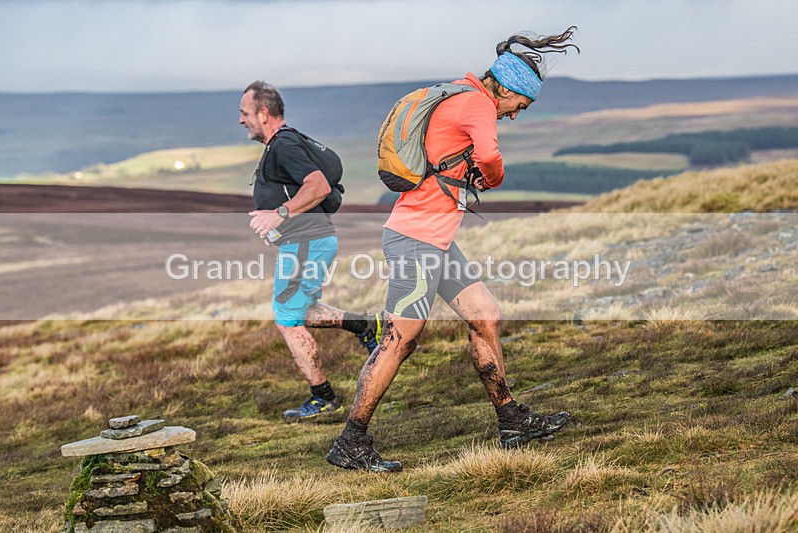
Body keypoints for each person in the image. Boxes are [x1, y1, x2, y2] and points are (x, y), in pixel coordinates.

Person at [326, 29, 580, 472]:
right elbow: (491, 156)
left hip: (436, 239)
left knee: (485, 313)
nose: (514, 116)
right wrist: (492, 177)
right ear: (507, 89)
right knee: (399, 340)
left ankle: (511, 421)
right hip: (416, 239)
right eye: (518, 108)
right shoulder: (477, 103)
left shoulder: (463, 96)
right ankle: (352, 441)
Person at [239, 81, 383, 421]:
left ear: (263, 113)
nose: (241, 120)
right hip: (304, 241)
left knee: (287, 320)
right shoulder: (282, 143)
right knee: (301, 309)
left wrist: (279, 215)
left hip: (306, 242)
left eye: (245, 113)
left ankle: (323, 397)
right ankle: (365, 326)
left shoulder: (284, 144)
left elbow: (317, 185)